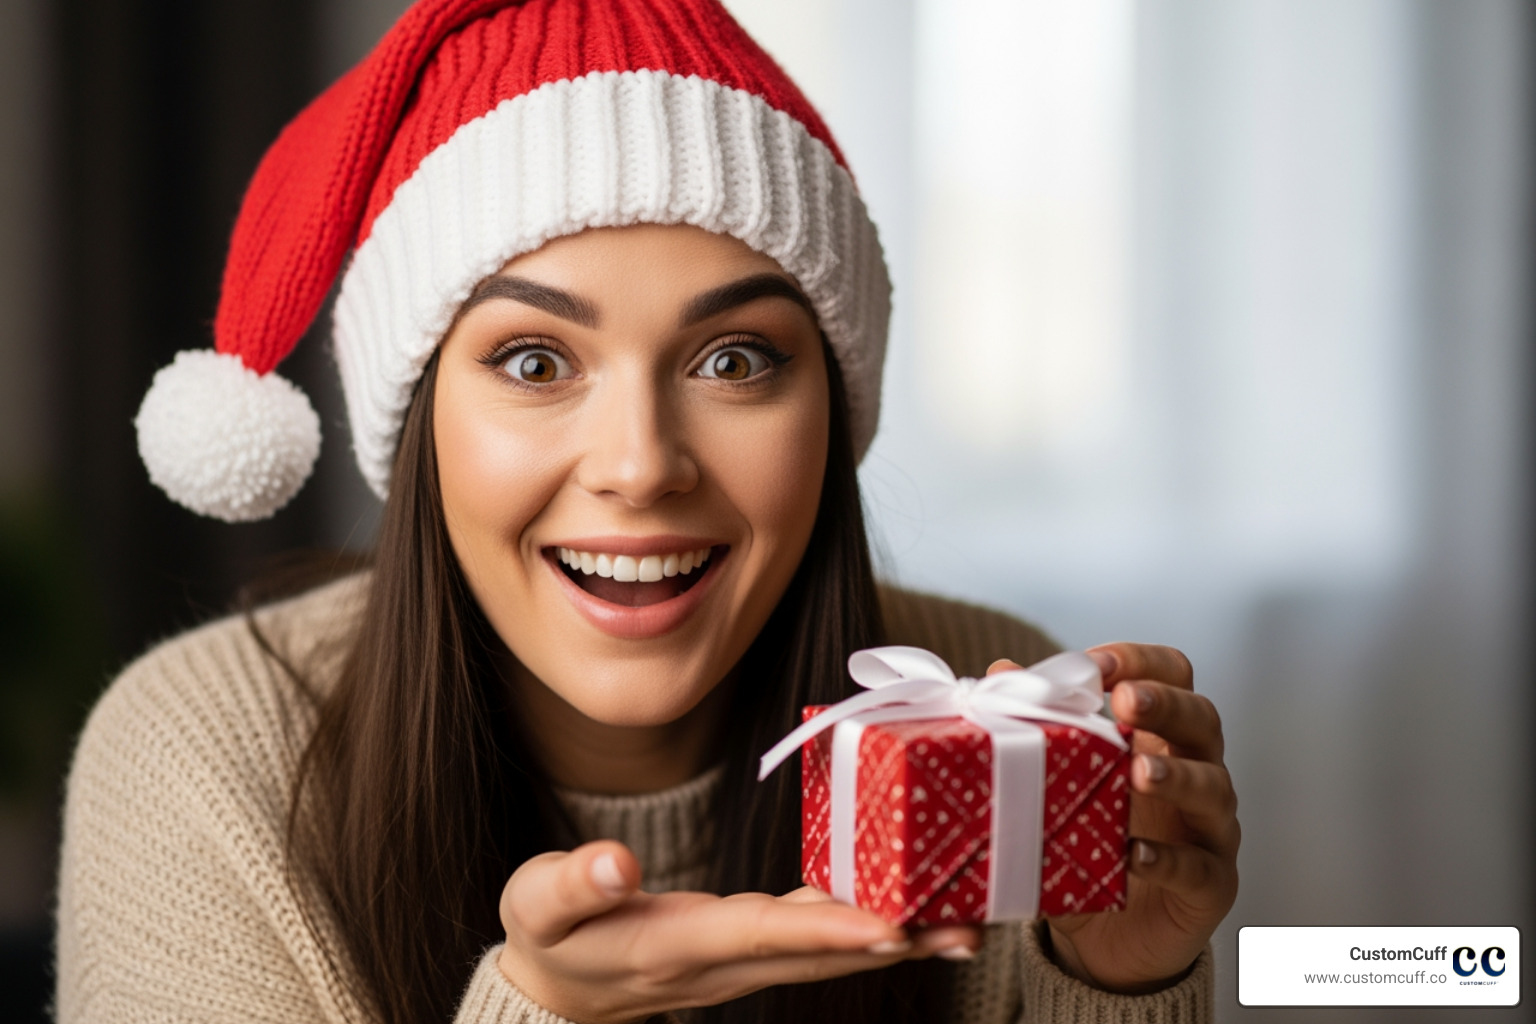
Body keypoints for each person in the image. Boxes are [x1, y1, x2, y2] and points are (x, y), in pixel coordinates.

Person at [57, 1, 1239, 1022]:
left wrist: (1122, 982)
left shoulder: (1008, 713)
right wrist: (547, 1011)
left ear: (833, 403)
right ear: (419, 425)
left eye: (733, 360)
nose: (640, 465)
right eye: (532, 361)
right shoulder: (200, 756)